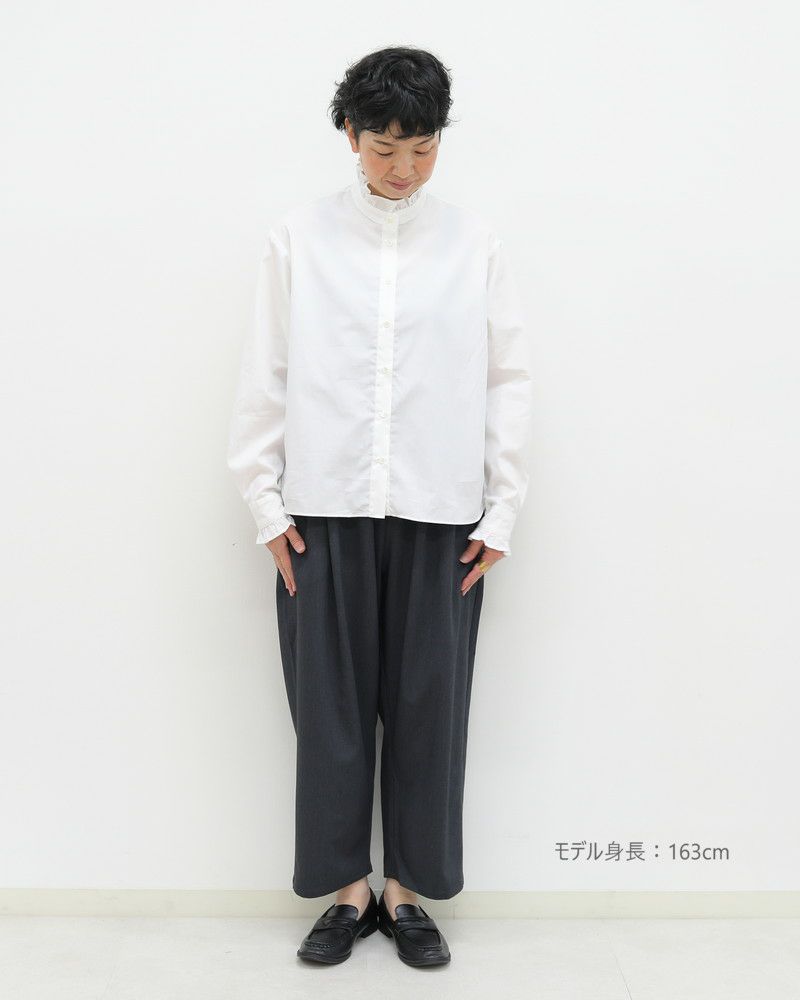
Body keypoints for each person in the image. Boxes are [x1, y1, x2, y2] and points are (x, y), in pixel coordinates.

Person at [226, 45, 533, 967]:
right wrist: (265, 503)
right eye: (385, 147)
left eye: (423, 148)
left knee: (431, 709)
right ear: (349, 134)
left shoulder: (473, 244)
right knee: (329, 713)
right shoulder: (299, 239)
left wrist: (502, 510)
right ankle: (345, 890)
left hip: (444, 514)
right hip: (321, 512)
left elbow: (507, 378)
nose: (404, 168)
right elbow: (266, 370)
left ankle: (407, 891)